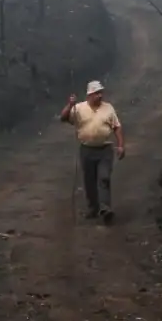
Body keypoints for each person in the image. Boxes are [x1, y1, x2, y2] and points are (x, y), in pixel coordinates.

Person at [59, 80, 124, 222]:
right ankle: (93, 208)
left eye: (101, 92)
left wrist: (120, 145)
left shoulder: (108, 108)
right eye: (96, 93)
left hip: (105, 149)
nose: (100, 95)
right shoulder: (79, 108)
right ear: (89, 94)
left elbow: (116, 127)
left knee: (104, 177)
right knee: (89, 181)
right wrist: (70, 105)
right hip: (87, 149)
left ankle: (105, 208)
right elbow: (63, 118)